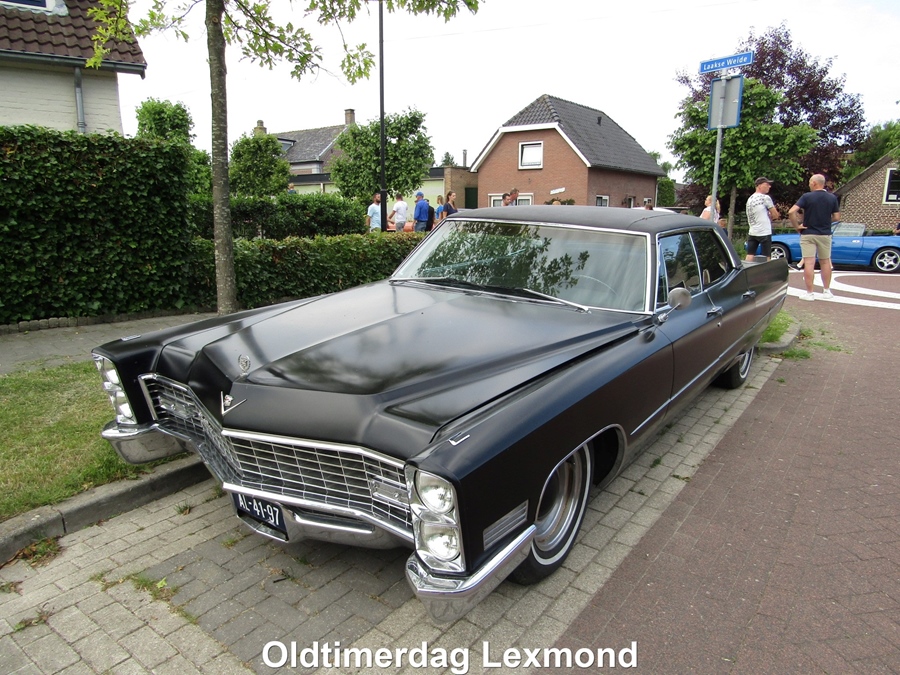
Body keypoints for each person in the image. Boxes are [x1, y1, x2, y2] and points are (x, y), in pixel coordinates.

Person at [788, 174, 840, 301]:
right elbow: (837, 217)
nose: (809, 185)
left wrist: (797, 226)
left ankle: (810, 293)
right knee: (825, 261)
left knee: (809, 262)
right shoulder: (832, 198)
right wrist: (826, 221)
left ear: (815, 183)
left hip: (808, 233)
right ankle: (826, 291)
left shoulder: (807, 197)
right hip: (825, 234)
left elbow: (791, 211)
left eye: (810, 182)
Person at [746, 177, 780, 259]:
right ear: (759, 185)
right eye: (767, 184)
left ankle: (746, 267)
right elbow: (775, 215)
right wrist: (771, 216)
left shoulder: (750, 199)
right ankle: (767, 268)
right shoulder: (765, 198)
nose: (769, 186)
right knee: (767, 256)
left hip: (753, 231)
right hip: (764, 231)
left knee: (750, 254)